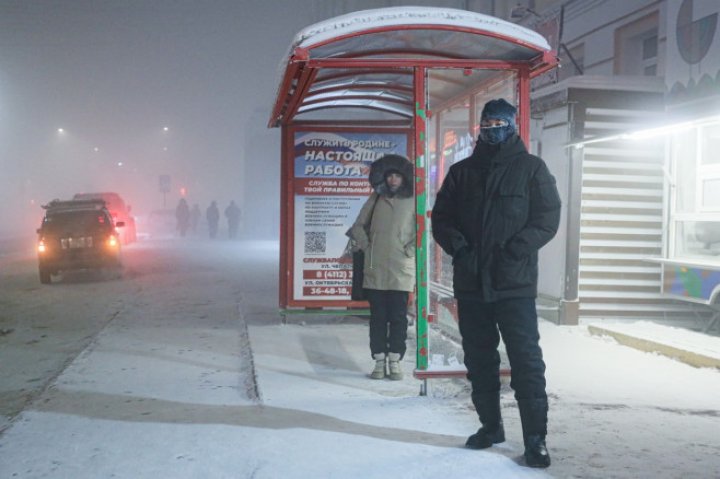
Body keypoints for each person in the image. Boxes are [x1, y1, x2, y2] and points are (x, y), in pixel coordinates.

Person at [431, 99, 561, 468]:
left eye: (499, 122)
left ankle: (535, 440)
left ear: (512, 126)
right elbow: (442, 219)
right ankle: (490, 427)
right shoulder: (461, 172)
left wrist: (516, 250)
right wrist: (460, 249)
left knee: (526, 362)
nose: (492, 128)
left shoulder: (532, 169)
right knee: (479, 358)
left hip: (513, 284)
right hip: (472, 284)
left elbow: (547, 218)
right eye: (487, 123)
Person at [348, 154, 415, 381]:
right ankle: (378, 360)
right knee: (377, 317)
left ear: (404, 178)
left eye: (397, 176)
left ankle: (395, 360)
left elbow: (424, 229)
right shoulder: (376, 198)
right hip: (375, 268)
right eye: (390, 176)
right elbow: (357, 226)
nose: (393, 180)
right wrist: (368, 247)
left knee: (398, 317)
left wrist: (409, 250)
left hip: (400, 270)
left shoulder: (414, 200)